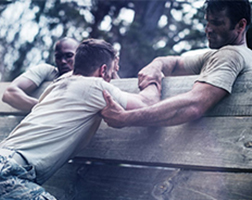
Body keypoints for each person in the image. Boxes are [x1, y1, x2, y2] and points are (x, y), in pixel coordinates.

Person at [0, 38, 160, 200]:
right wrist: (154, 78)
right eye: (113, 72)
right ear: (103, 71)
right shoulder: (96, 87)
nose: (114, 79)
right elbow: (147, 104)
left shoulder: (58, 85)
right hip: (3, 179)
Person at [101, 0, 252, 128]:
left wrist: (125, 118)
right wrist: (156, 64)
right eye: (207, 21)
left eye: (217, 23)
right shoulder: (231, 55)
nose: (208, 29)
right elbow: (175, 63)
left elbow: (194, 105)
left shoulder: (230, 55)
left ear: (240, 25)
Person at [2, 37, 79, 112]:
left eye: (69, 55)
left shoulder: (88, 80)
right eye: (58, 57)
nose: (63, 61)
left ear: (80, 55)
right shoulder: (46, 71)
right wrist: (45, 108)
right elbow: (9, 94)